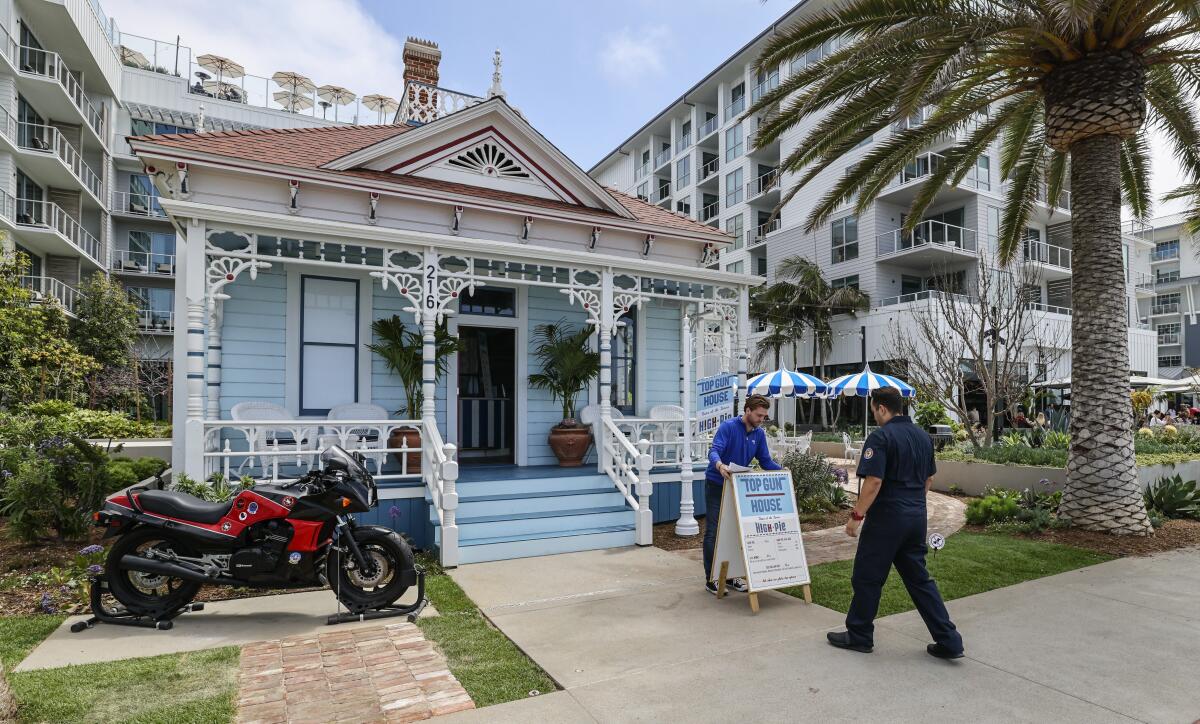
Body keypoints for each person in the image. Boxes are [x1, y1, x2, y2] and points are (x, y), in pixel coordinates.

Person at [826, 387, 964, 659]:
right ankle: (950, 640)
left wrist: (856, 516)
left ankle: (860, 634)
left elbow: (874, 482)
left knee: (867, 576)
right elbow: (929, 480)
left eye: (874, 411)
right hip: (915, 516)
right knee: (920, 580)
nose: (875, 416)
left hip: (887, 518)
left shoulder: (881, 437)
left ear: (881, 408)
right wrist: (911, 504)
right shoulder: (923, 437)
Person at [703, 394, 782, 595]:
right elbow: (714, 451)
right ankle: (711, 579)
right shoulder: (728, 427)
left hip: (739, 487)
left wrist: (784, 471)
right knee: (714, 531)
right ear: (747, 410)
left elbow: (765, 462)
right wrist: (720, 465)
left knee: (737, 532)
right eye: (759, 415)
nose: (761, 419)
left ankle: (731, 577)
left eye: (764, 416)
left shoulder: (759, 434)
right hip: (717, 484)